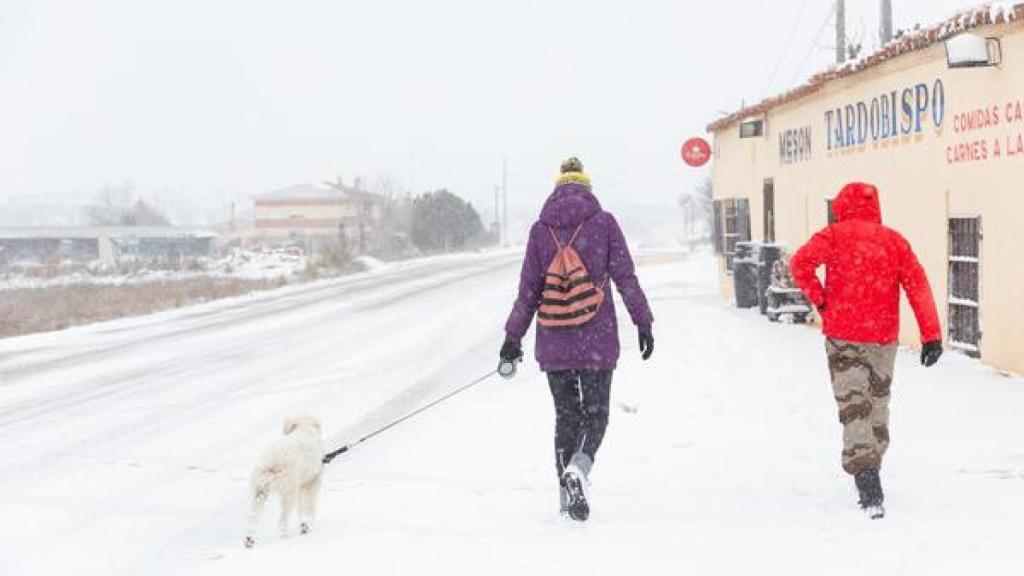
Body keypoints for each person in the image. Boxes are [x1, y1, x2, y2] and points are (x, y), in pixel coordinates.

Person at [500, 157, 654, 522]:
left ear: (556, 190)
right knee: (595, 416)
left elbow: (528, 291)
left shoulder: (541, 230)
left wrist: (512, 338)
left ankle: (565, 500)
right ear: (587, 188)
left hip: (554, 339)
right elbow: (625, 278)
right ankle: (579, 471)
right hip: (597, 339)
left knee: (565, 418)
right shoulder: (603, 223)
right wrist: (643, 322)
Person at [790, 181, 943, 519]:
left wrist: (822, 301)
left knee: (853, 405)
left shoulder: (832, 236)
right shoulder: (894, 241)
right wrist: (931, 335)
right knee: (876, 402)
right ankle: (872, 465)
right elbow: (918, 284)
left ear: (842, 206)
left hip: (843, 335)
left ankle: (867, 477)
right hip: (882, 339)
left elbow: (799, 264)